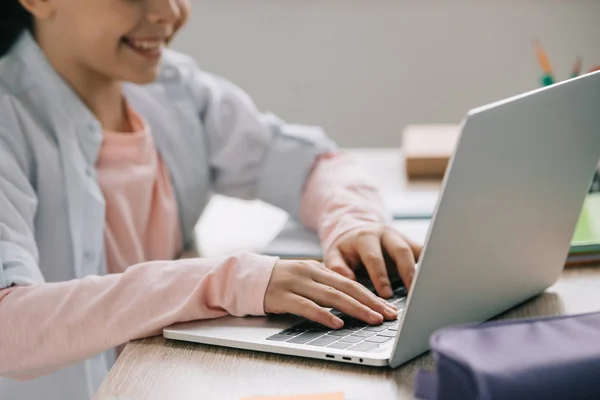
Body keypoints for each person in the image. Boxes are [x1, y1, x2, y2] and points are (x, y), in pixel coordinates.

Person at [0, 1, 421, 398]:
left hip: (165, 381)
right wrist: (227, 282)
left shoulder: (172, 88)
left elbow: (312, 165)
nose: (170, 13)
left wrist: (353, 222)